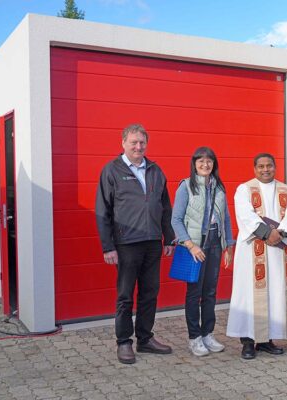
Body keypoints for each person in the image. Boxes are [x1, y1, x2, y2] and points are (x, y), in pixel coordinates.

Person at [95, 123, 175, 364]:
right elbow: (103, 211)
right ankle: (123, 342)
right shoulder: (111, 170)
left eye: (142, 142)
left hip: (152, 242)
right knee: (125, 295)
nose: (138, 146)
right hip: (126, 243)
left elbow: (165, 207)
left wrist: (168, 237)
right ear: (123, 143)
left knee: (150, 292)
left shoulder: (155, 170)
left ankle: (145, 338)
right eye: (134, 142)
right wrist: (108, 246)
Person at [226, 153, 287, 359]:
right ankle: (248, 341)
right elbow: (245, 215)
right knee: (250, 295)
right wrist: (268, 233)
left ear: (275, 167)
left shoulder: (285, 189)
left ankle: (267, 340)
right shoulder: (245, 189)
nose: (265, 169)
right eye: (261, 166)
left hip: (277, 251)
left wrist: (280, 234)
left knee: (274, 294)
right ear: (254, 168)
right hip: (253, 252)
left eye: (269, 166)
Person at [171, 147, 236, 357]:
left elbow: (225, 217)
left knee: (210, 291)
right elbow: (176, 220)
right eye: (201, 161)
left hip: (216, 243)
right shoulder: (186, 187)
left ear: (214, 164)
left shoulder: (219, 187)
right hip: (196, 246)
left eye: (209, 161)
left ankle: (208, 333)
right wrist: (190, 245)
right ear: (194, 164)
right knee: (194, 293)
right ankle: (194, 338)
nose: (205, 165)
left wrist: (229, 245)